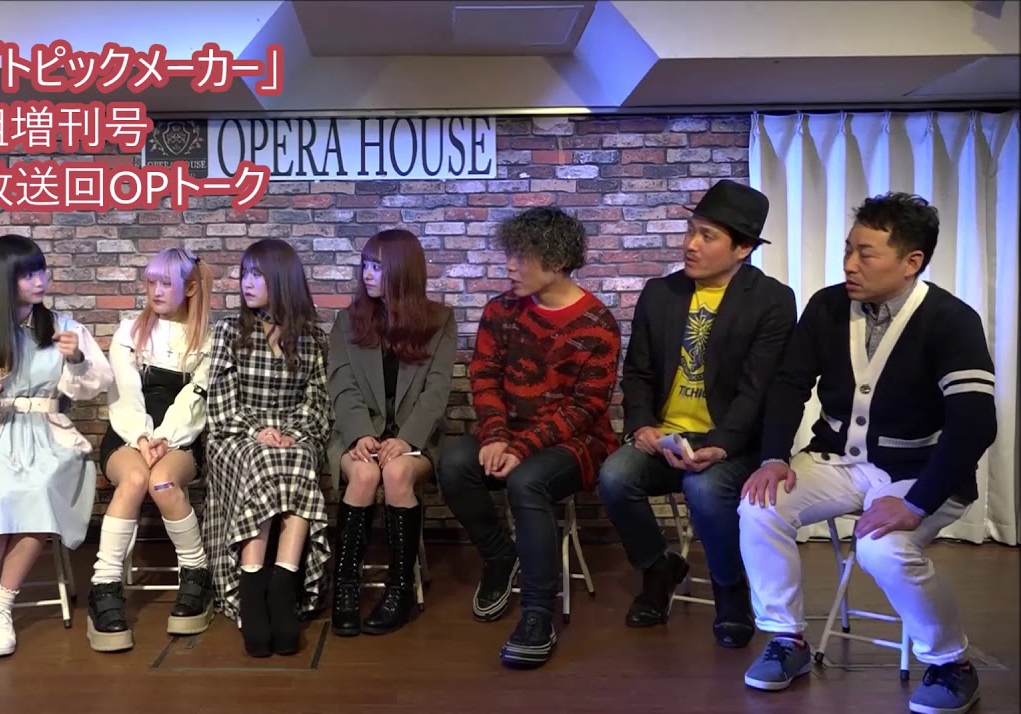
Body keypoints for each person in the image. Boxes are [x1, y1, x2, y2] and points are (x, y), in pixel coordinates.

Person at [738, 192, 995, 714]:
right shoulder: (827, 306)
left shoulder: (951, 319)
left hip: (919, 471)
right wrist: (772, 458)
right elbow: (789, 385)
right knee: (758, 507)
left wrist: (918, 503)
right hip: (836, 461)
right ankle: (786, 639)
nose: (849, 264)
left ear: (911, 261)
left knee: (883, 549)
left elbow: (975, 423)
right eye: (847, 250)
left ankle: (951, 663)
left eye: (866, 253)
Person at [597, 180, 797, 648]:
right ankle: (658, 568)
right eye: (691, 231)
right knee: (614, 477)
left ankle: (730, 588)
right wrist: (642, 426)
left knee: (704, 488)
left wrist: (721, 444)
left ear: (743, 248)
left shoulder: (771, 300)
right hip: (665, 437)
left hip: (731, 442)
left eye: (708, 236)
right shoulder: (660, 293)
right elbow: (638, 373)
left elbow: (757, 390)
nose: (691, 244)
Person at [438, 206, 621, 668]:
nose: (509, 267)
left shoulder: (597, 324)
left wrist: (521, 448)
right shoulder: (500, 311)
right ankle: (501, 557)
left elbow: (586, 408)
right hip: (511, 433)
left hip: (575, 443)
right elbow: (484, 376)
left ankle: (538, 613)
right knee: (455, 463)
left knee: (527, 481)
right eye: (510, 255)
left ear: (556, 262)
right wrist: (496, 436)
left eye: (521, 258)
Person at [0, 234, 113, 659]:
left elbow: (96, 384)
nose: (39, 281)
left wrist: (76, 360)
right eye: (27, 275)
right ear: (2, 279)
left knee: (39, 488)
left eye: (41, 271)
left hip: (49, 433)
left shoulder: (64, 328)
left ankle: (2, 606)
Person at [202, 238, 332, 658]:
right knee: (265, 458)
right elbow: (221, 404)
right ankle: (252, 582)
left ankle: (282, 582)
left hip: (293, 437)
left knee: (296, 458)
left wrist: (291, 434)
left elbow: (317, 403)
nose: (247, 282)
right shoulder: (229, 332)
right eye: (245, 274)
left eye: (257, 275)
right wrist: (259, 432)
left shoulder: (311, 339)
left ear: (282, 280)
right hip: (236, 438)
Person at [327, 229, 457, 637]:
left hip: (414, 437)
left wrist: (407, 440)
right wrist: (360, 434)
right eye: (365, 265)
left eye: (378, 267)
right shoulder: (347, 321)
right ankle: (345, 587)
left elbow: (436, 391)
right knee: (365, 474)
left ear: (403, 271)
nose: (367, 274)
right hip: (358, 433)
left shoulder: (439, 321)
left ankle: (399, 589)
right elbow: (342, 385)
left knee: (398, 472)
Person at [86, 247, 216, 652]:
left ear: (190, 288)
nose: (155, 291)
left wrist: (166, 437)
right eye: (150, 282)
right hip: (129, 434)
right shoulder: (129, 331)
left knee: (162, 482)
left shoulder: (209, 339)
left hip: (179, 437)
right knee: (134, 479)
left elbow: (195, 398)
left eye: (165, 283)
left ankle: (196, 573)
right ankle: (104, 585)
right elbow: (124, 392)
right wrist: (142, 436)